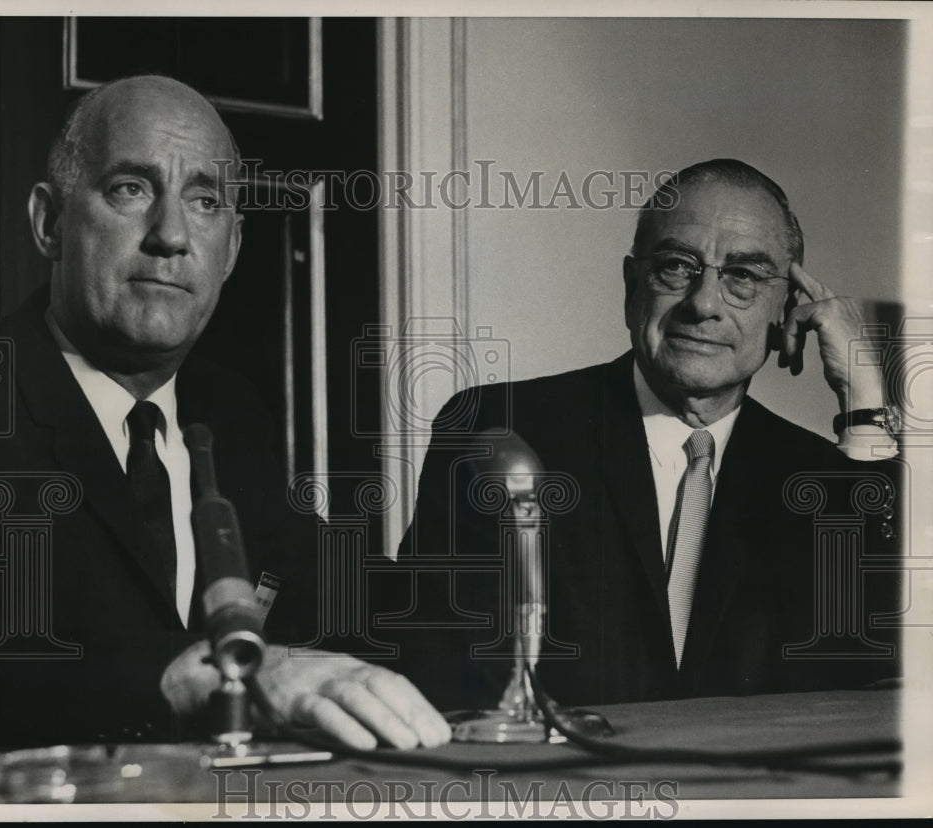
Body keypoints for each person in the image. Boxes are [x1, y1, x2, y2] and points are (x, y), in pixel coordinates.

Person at [0, 74, 450, 752]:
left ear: (233, 250)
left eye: (205, 200)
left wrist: (528, 566)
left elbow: (344, 610)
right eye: (130, 188)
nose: (171, 235)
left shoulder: (229, 412)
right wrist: (187, 676)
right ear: (49, 224)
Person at [384, 159, 903, 712]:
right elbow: (449, 672)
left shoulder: (823, 477)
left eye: (744, 277)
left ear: (787, 310)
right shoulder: (501, 430)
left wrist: (863, 400)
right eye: (678, 267)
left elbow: (883, 674)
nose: (704, 305)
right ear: (633, 286)